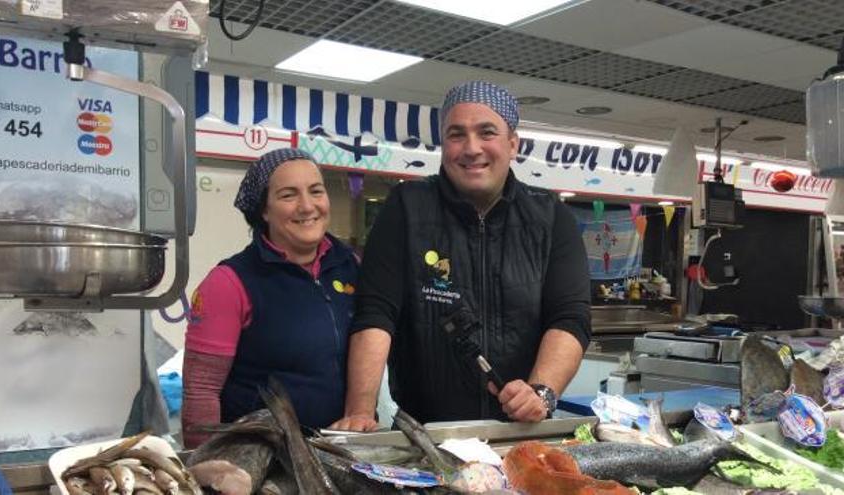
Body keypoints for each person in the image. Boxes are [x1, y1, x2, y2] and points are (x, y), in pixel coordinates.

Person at [330, 81, 591, 430]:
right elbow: (376, 316)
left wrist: (541, 392)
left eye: (487, 132)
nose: (471, 148)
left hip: (521, 433)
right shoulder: (407, 208)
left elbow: (570, 318)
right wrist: (360, 411)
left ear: (512, 143)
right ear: (443, 145)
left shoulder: (550, 217)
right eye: (456, 134)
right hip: (424, 435)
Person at [182, 148, 358, 447]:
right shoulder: (229, 282)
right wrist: (204, 467)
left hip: (337, 450)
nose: (307, 206)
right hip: (261, 459)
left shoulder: (350, 265)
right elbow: (201, 391)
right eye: (289, 195)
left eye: (316, 191)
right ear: (264, 210)